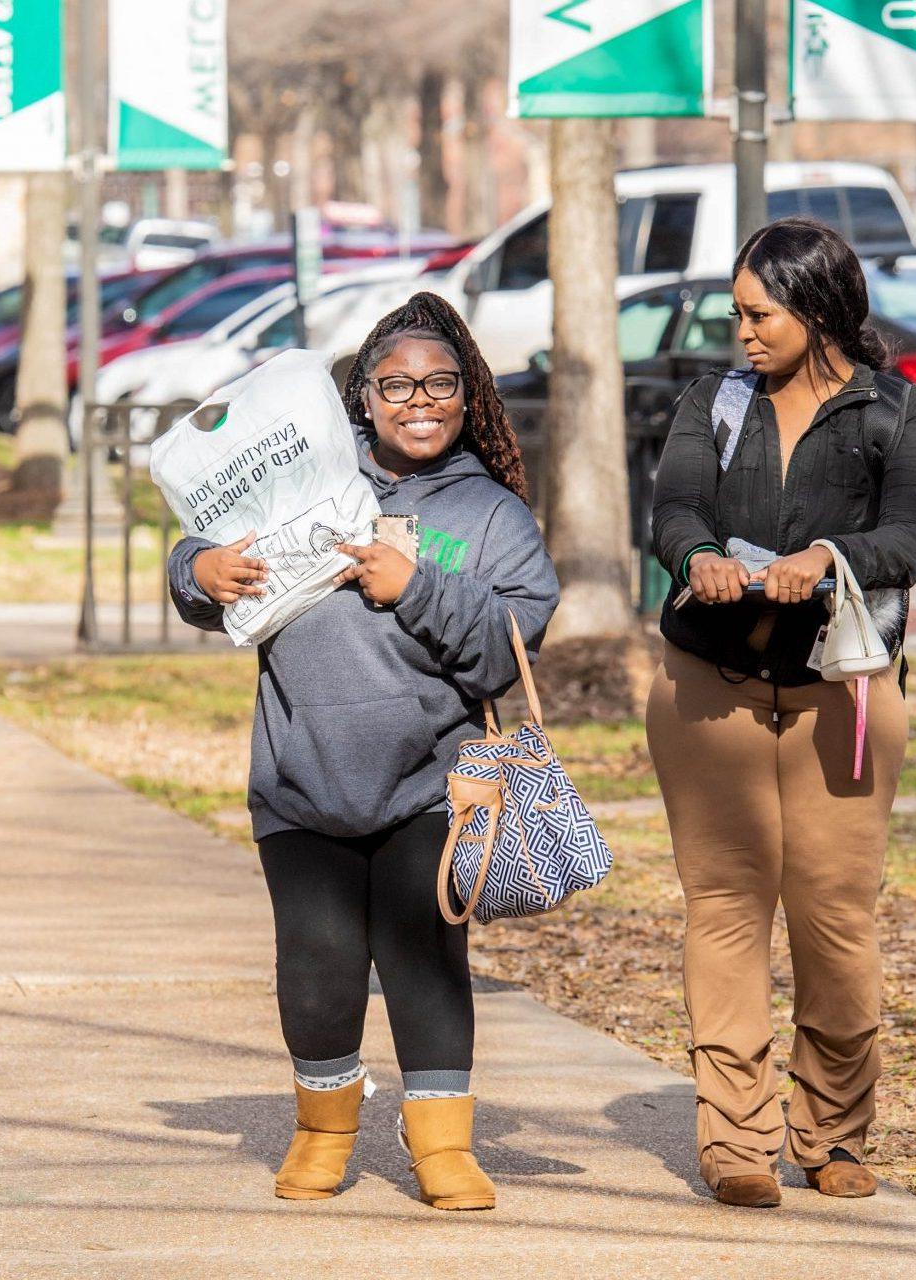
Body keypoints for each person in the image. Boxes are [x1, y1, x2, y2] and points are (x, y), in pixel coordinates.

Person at [167, 293, 558, 1212]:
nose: (419, 400)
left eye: (439, 383)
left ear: (467, 394)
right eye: (396, 385)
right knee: (316, 968)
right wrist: (197, 571)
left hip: (435, 785)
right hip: (301, 777)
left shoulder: (491, 512)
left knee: (428, 966)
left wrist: (417, 587)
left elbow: (515, 638)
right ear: (364, 399)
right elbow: (206, 538)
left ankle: (442, 1145)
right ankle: (324, 1129)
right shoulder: (306, 475)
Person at [644, 217, 916, 1210]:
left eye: (759, 313)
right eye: (735, 314)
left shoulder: (895, 411)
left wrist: (830, 559)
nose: (743, 332)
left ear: (817, 309)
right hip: (709, 689)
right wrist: (696, 558)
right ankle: (735, 1135)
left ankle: (831, 1131)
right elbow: (675, 508)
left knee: (833, 915)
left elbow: (914, 530)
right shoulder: (712, 402)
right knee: (726, 905)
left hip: (843, 691)